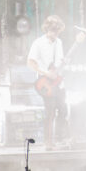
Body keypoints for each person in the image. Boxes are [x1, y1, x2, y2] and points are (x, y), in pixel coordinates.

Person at [29, 15, 70, 143]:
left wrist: (65, 62)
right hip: (45, 82)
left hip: (58, 82)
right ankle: (48, 141)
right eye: (53, 30)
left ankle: (59, 138)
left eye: (57, 31)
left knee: (63, 110)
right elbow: (31, 62)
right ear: (47, 29)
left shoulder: (59, 42)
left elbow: (59, 63)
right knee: (50, 111)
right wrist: (46, 73)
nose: (55, 33)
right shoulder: (38, 43)